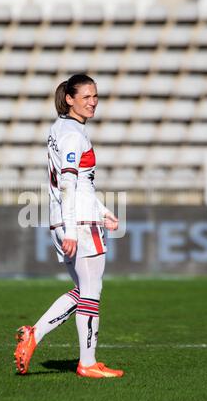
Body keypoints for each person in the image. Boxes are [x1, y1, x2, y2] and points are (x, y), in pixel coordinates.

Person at [14, 73, 124, 378]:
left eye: (95, 96)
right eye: (86, 96)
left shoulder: (59, 128)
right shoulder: (74, 134)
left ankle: (33, 334)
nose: (92, 102)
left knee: (83, 289)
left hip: (63, 218)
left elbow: (81, 184)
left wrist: (102, 212)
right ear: (69, 99)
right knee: (92, 290)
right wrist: (76, 229)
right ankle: (87, 363)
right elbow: (68, 182)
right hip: (77, 220)